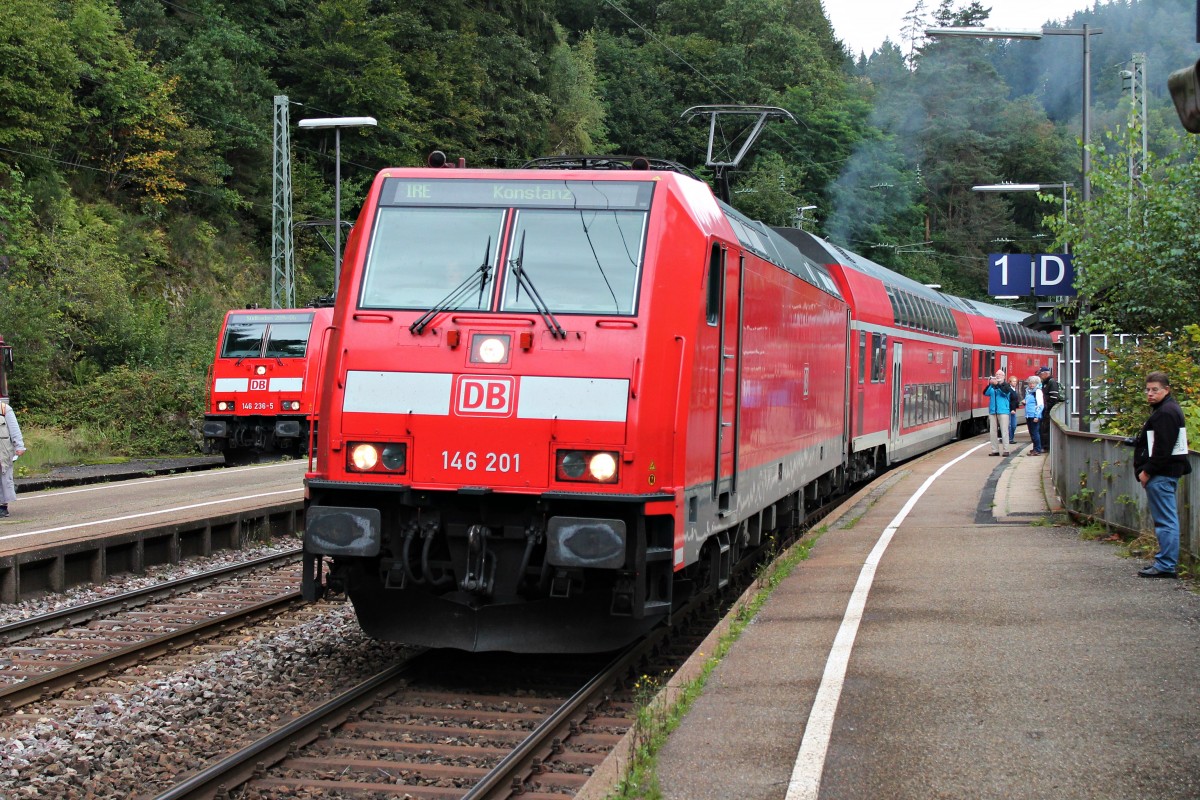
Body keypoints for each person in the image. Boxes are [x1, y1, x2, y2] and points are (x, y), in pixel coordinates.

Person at [1132, 371, 1192, 578]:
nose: (1150, 393)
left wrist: (1147, 472)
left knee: (1166, 521)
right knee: (1166, 519)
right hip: (1165, 473)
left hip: (1161, 474)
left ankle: (1166, 564)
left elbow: (1162, 449)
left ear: (1166, 390)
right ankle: (1165, 562)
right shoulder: (1168, 409)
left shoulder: (1166, 413)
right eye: (1147, 390)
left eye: (1155, 390)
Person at [0, 400, 26, 518]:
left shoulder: (4, 409)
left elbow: (14, 430)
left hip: (3, 451)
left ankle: (2, 506)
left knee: (4, 478)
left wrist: (19, 446)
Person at [983, 370, 1017, 456]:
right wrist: (990, 384)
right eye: (996, 374)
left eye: (1000, 374)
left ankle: (1006, 450)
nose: (998, 376)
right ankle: (995, 450)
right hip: (993, 411)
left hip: (1003, 411)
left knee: (1004, 430)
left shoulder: (1006, 386)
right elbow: (985, 393)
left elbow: (1005, 393)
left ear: (1004, 376)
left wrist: (997, 385)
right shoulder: (993, 386)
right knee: (992, 431)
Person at [1037, 365, 1062, 453]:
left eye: (1040, 374)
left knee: (1046, 428)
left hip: (1048, 409)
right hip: (1046, 408)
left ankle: (1046, 446)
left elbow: (1053, 397)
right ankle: (1045, 445)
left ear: (1045, 374)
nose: (1039, 376)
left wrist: (1048, 408)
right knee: (1044, 428)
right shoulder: (1046, 382)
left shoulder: (1051, 382)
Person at [1024, 375, 1045, 455]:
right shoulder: (1029, 391)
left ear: (1037, 384)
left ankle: (1037, 449)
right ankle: (1035, 448)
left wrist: (1036, 416)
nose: (1031, 385)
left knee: (1035, 433)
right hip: (1029, 415)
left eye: (1033, 383)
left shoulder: (1037, 392)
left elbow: (1040, 405)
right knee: (1032, 433)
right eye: (1030, 383)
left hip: (1034, 415)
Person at [1007, 375, 1022, 444]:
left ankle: (1011, 438)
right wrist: (1011, 409)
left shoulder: (1014, 389)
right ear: (1010, 382)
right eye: (1013, 381)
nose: (1015, 383)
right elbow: (1009, 400)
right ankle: (1010, 438)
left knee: (1013, 425)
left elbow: (1015, 400)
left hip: (1014, 410)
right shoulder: (1009, 390)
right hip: (1010, 410)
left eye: (1015, 381)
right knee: (1011, 425)